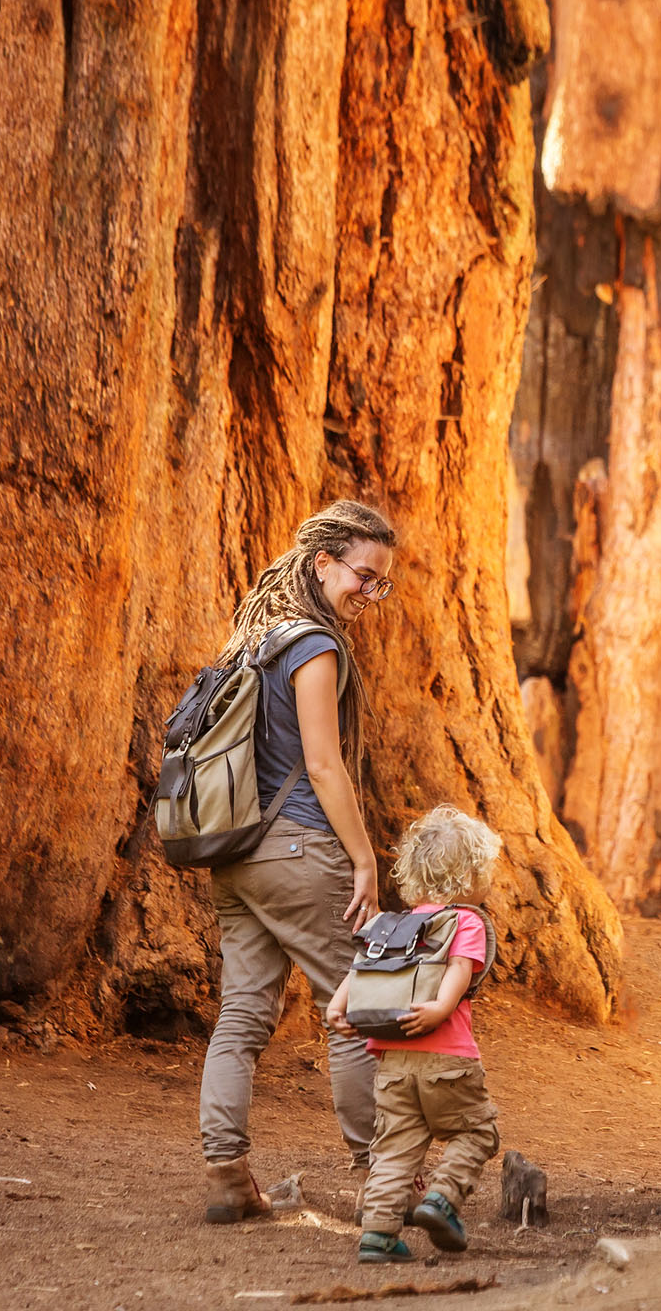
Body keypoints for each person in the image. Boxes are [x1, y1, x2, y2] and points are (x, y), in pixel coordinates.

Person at [198, 500, 397, 1224]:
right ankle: (385, 1179)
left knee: (242, 1015)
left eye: (381, 583)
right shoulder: (314, 645)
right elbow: (322, 763)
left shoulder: (254, 636)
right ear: (323, 563)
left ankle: (226, 1176)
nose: (370, 595)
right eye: (363, 576)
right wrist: (365, 859)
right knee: (351, 1009)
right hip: (300, 848)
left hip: (236, 853)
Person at [327, 806, 503, 1264]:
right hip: (447, 1057)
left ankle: (378, 1237)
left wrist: (337, 1007)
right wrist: (440, 1009)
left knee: (394, 1148)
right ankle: (441, 1199)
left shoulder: (391, 925)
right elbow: (460, 969)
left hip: (391, 1061)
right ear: (472, 873)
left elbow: (362, 967)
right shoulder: (464, 921)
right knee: (477, 1131)